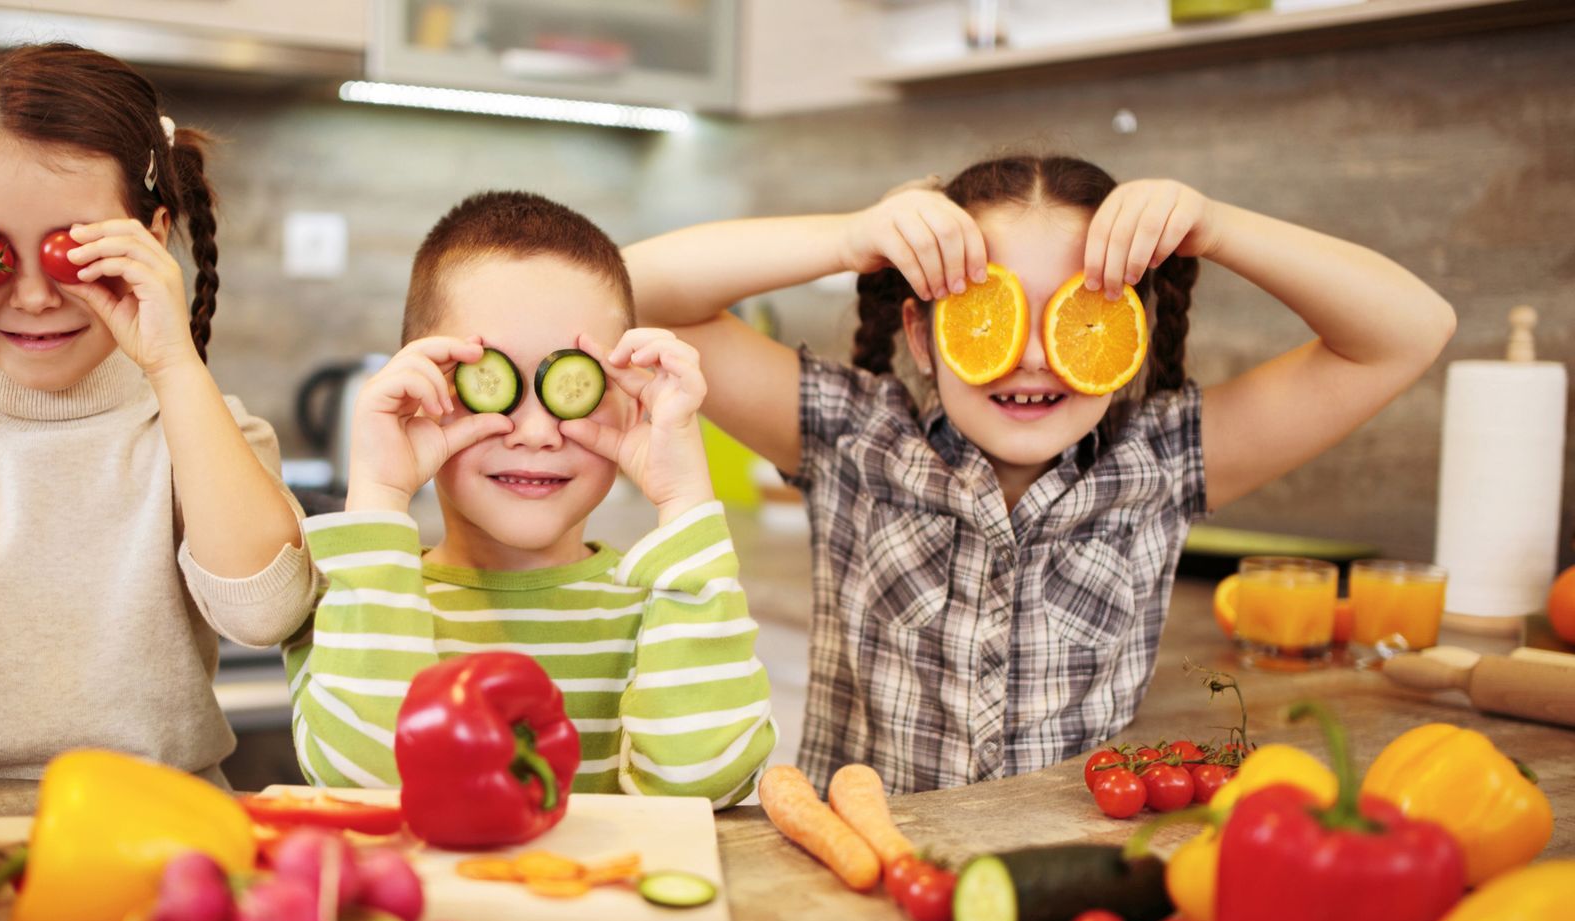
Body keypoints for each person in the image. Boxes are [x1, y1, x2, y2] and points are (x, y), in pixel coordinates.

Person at [623, 156, 1456, 792]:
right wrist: (847, 237)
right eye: (990, 309)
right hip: (863, 877)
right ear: (922, 334)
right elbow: (628, 288)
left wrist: (1218, 227)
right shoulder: (853, 434)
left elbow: (1411, 329)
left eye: (1079, 312)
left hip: (1071, 889)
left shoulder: (1162, 459)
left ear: (1126, 332)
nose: (1031, 355)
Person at [0, 44, 316, 782]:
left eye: (73, 251)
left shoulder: (205, 432)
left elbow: (266, 612)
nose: (35, 298)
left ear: (153, 238)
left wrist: (173, 364)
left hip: (163, 838)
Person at [285, 191, 776, 805]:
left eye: (572, 381)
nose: (538, 432)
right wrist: (381, 493)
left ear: (631, 394)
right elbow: (366, 784)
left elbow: (704, 783)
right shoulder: (357, 595)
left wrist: (684, 498)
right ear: (422, 387)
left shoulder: (670, 599)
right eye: (492, 381)